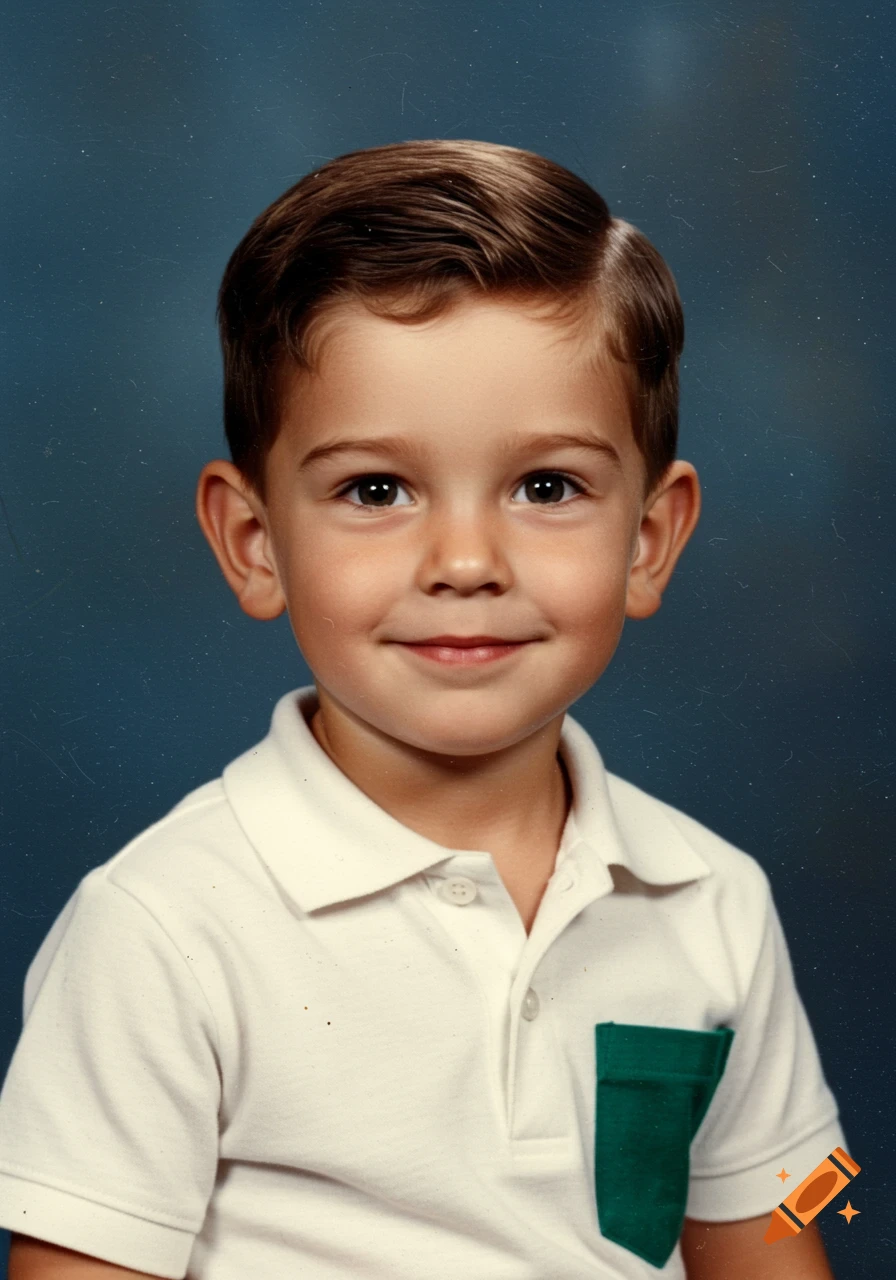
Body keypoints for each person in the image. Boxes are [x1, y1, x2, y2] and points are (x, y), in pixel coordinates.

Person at [0, 139, 845, 1279]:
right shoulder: (160, 928)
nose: (462, 559)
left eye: (546, 487)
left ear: (648, 539)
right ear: (254, 543)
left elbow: (774, 1241)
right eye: (375, 489)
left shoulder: (714, 904)